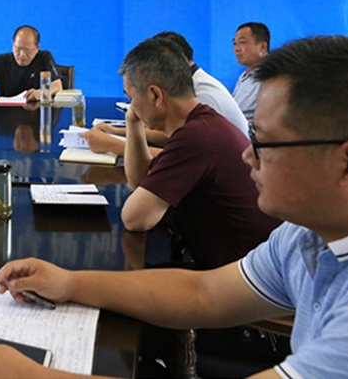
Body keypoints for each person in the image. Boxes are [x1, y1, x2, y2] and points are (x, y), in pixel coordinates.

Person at [0, 35, 348, 379]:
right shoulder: (306, 235)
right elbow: (204, 293)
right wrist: (69, 282)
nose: (248, 155)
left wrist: (34, 375)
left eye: (264, 142)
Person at [113, 37, 279, 269]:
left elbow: (135, 219)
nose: (131, 106)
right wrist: (133, 122)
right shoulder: (199, 124)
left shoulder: (197, 137)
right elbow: (139, 182)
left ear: (155, 95)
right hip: (237, 264)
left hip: (243, 276)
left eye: (131, 98)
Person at [84, 32, 249, 156]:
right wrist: (119, 131)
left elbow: (177, 151)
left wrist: (112, 144)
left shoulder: (204, 98)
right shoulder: (191, 87)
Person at [0, 26, 63, 101]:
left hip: (35, 113)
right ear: (13, 44)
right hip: (5, 114)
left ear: (37, 48)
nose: (22, 55)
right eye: (18, 49)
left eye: (27, 50)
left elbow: (57, 86)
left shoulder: (44, 58)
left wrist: (42, 92)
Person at [232, 22, 270, 123]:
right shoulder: (244, 76)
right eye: (235, 43)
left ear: (262, 47)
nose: (236, 49)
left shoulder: (270, 77)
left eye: (242, 42)